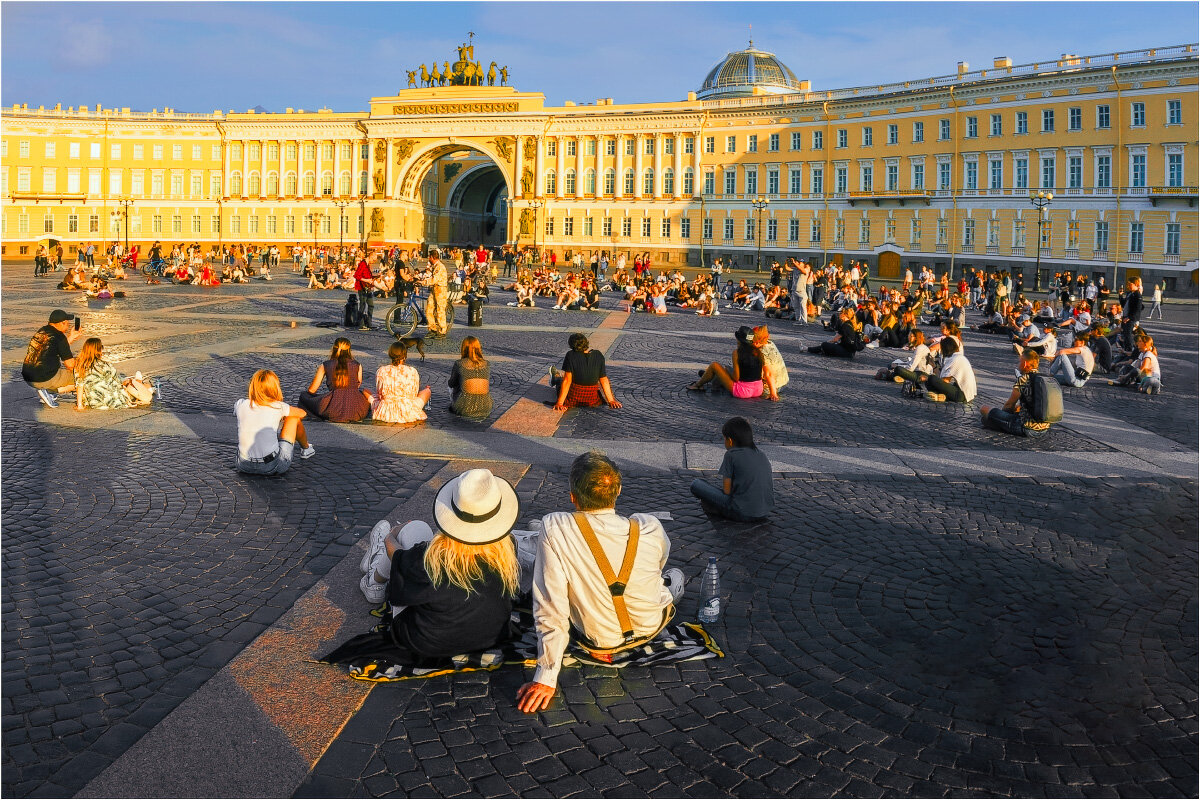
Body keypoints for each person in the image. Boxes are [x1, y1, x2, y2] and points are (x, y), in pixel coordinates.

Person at [516, 452, 685, 713]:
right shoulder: (649, 526)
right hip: (652, 623)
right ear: (618, 491)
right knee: (674, 576)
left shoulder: (555, 525)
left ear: (572, 496)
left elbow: (550, 604)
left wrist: (546, 676)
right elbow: (658, 562)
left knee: (548, 553)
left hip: (600, 639)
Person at [325, 468, 520, 672]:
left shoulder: (429, 560)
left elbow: (396, 553)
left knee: (417, 529)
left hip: (425, 642)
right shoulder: (506, 552)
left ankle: (374, 581)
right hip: (490, 636)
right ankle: (374, 566)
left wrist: (392, 534)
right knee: (415, 557)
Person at [689, 417, 774, 522]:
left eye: (724, 438)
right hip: (764, 513)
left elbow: (727, 490)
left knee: (696, 484)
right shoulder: (761, 454)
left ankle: (718, 510)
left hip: (741, 512)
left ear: (729, 440)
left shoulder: (731, 455)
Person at [235, 369, 314, 475]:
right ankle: (306, 448)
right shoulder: (278, 407)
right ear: (275, 388)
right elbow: (302, 413)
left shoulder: (240, 404)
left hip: (243, 464)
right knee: (293, 418)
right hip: (271, 465)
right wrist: (284, 416)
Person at [689, 325, 779, 401]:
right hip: (758, 390)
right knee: (724, 371)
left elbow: (736, 378)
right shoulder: (759, 352)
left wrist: (727, 372)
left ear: (738, 339)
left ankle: (698, 385)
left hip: (743, 391)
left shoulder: (737, 353)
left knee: (714, 366)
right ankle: (710, 377)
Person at [979, 349, 1053, 438]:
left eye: (1020, 362)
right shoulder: (1044, 379)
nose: (1018, 365)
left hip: (1025, 427)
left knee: (984, 409)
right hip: (1044, 429)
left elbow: (1009, 405)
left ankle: (997, 423)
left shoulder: (1023, 379)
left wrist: (1001, 415)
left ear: (1025, 364)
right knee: (1015, 409)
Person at [298, 338, 373, 422]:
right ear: (349, 350)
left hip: (333, 409)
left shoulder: (326, 365)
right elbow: (358, 384)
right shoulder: (357, 365)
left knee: (303, 396)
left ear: (334, 348)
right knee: (366, 395)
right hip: (357, 410)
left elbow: (312, 390)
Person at [73, 337, 157, 409]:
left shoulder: (79, 365)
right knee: (135, 386)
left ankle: (141, 383)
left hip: (95, 402)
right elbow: (117, 383)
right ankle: (144, 385)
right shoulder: (106, 365)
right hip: (114, 401)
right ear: (99, 350)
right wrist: (127, 382)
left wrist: (79, 405)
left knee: (131, 383)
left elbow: (79, 385)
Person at [22, 310, 83, 407]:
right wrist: (83, 364)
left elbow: (56, 347)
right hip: (44, 378)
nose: (68, 327)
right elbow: (70, 365)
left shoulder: (42, 331)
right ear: (62, 323)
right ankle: (49, 392)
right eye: (67, 324)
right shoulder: (60, 337)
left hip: (28, 377)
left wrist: (71, 337)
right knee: (82, 378)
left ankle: (47, 391)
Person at [550, 333, 622, 411]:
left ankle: (556, 378)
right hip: (591, 399)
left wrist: (560, 403)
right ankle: (557, 377)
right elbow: (603, 380)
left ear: (571, 345)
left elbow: (567, 381)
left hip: (574, 398)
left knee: (561, 381)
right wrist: (611, 401)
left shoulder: (570, 355)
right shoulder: (598, 355)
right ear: (586, 343)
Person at [895, 337, 977, 403]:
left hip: (961, 395)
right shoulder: (958, 357)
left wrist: (928, 378)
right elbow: (943, 379)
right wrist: (933, 366)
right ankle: (940, 396)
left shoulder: (954, 359)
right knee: (931, 380)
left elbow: (944, 381)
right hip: (965, 392)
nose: (940, 352)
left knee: (931, 379)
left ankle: (940, 395)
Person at [371, 341, 430, 424]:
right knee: (427, 391)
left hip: (387, 409)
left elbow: (379, 392)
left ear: (390, 354)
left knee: (367, 392)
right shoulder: (412, 371)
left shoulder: (382, 370)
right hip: (407, 408)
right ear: (404, 355)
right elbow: (414, 393)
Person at [448, 335, 493, 421]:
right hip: (485, 406)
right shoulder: (487, 364)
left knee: (457, 383)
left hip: (465, 406)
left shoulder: (459, 364)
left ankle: (455, 403)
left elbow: (451, 383)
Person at [753, 326, 789, 397]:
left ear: (756, 342)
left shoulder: (763, 353)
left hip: (770, 388)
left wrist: (773, 393)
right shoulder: (770, 343)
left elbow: (769, 374)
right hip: (783, 383)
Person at [424, 248, 450, 339]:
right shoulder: (435, 266)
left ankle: (442, 331)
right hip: (434, 289)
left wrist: (423, 282)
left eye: (429, 257)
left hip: (441, 290)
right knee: (429, 309)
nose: (428, 259)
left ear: (432, 257)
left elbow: (434, 279)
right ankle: (432, 329)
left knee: (440, 310)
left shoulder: (440, 267)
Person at [353, 255, 376, 330]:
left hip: (367, 288)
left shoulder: (367, 265)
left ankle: (369, 323)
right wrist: (367, 280)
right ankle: (360, 323)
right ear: (370, 257)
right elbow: (356, 275)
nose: (374, 262)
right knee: (362, 306)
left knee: (371, 305)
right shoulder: (362, 264)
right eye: (374, 260)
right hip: (362, 288)